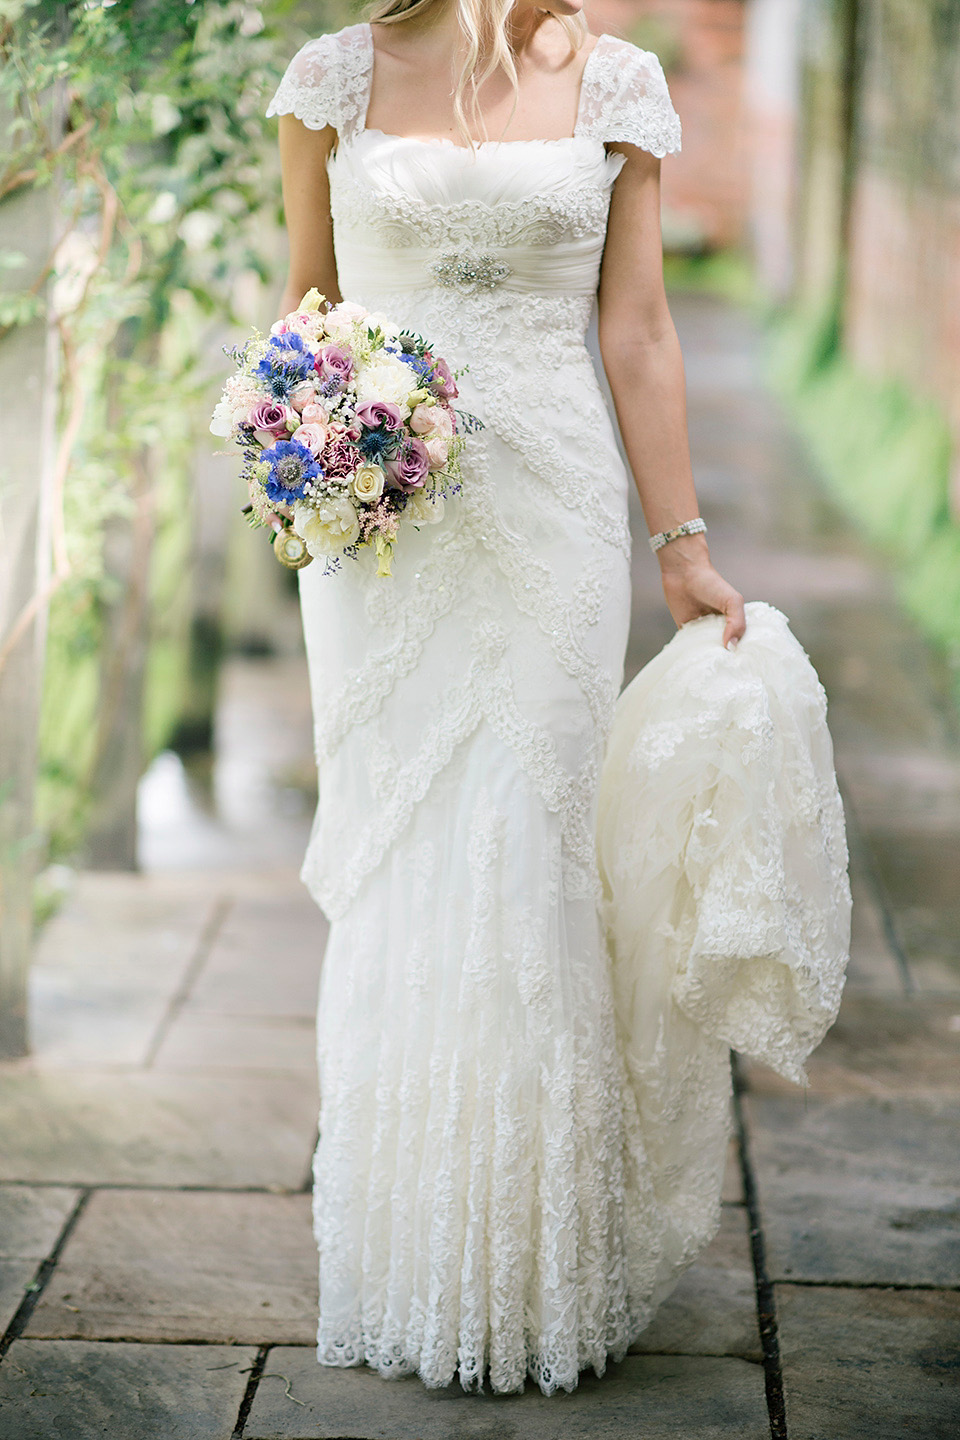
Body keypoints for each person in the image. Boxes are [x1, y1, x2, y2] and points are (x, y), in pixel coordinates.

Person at [267, 0, 750, 1397]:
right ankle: (402, 1254)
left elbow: (642, 329)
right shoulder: (328, 81)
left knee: (529, 849)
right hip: (383, 531)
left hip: (550, 517)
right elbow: (309, 300)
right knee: (408, 853)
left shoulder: (619, 84)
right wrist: (297, 435)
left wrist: (685, 548)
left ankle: (529, 1270)